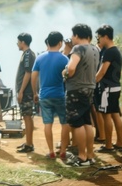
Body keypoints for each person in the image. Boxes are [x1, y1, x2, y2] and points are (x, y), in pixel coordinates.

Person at [62, 23, 99, 166]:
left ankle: (82, 156)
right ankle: (90, 155)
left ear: (76, 35)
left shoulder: (78, 48)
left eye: (72, 35)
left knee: (77, 123)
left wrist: (65, 74)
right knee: (86, 122)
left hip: (76, 89)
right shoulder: (95, 49)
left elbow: (71, 68)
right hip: (90, 88)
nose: (72, 38)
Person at [31, 31, 69, 159]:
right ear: (60, 43)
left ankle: (51, 151)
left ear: (48, 42)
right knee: (65, 123)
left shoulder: (40, 58)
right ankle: (63, 151)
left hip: (44, 95)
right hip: (60, 95)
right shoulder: (64, 58)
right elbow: (68, 76)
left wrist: (35, 93)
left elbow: (34, 76)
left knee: (48, 124)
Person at [95, 24, 122, 153]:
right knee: (115, 114)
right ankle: (119, 143)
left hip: (107, 89)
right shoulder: (115, 51)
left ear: (106, 36)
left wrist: (91, 83)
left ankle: (108, 145)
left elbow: (102, 72)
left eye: (99, 37)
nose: (99, 40)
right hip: (115, 87)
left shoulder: (109, 52)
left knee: (107, 115)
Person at [15, 33, 37, 153]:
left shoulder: (28, 54)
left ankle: (29, 144)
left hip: (26, 92)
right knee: (26, 116)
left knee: (27, 117)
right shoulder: (27, 54)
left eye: (18, 41)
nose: (17, 44)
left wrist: (21, 91)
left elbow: (28, 73)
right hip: (26, 91)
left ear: (23, 42)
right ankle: (28, 142)